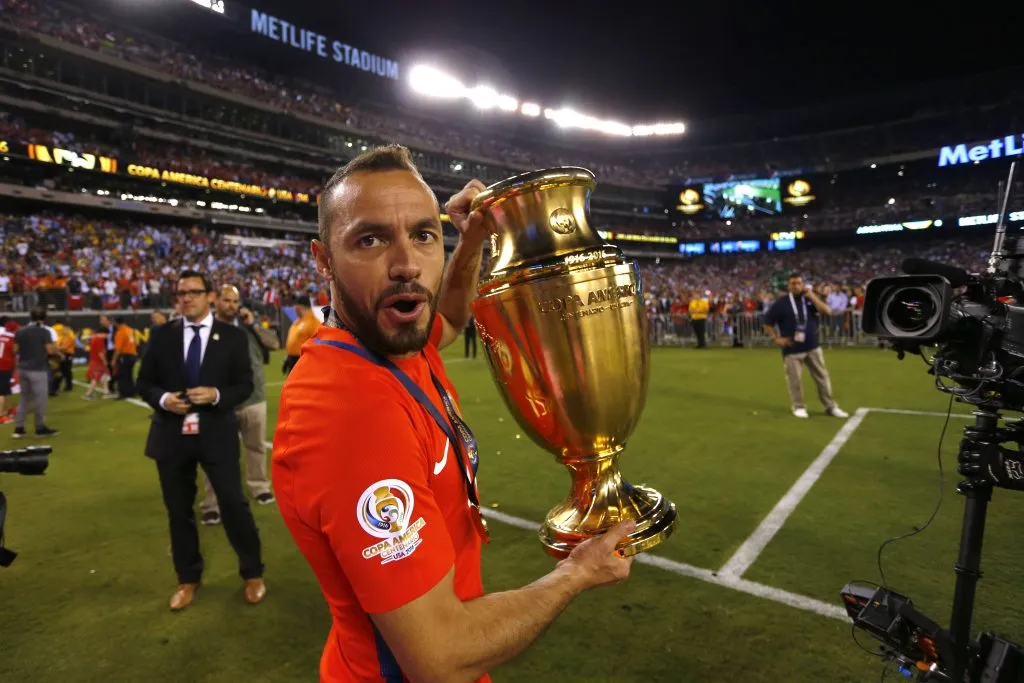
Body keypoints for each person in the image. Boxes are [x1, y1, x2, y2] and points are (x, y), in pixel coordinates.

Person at [272, 145, 634, 683]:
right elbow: (440, 655)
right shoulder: (350, 415)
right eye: (370, 240)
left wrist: (471, 243)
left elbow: (450, 318)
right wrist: (576, 574)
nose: (406, 266)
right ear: (323, 259)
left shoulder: (394, 345)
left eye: (421, 235)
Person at [136, 270, 266, 611]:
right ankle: (188, 578)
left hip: (216, 433)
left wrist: (217, 394)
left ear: (209, 296)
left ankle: (253, 573)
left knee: (234, 504)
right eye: (181, 293)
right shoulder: (162, 335)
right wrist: (164, 400)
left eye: (194, 291)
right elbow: (144, 381)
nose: (187, 298)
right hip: (171, 435)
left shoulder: (232, 337)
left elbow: (245, 385)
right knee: (179, 512)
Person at [199, 285, 280, 526]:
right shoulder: (207, 329)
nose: (231, 306)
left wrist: (254, 324)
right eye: (227, 301)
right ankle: (212, 503)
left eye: (235, 301)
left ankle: (259, 487)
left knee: (255, 447)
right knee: (216, 455)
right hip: (221, 402)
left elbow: (274, 344)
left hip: (254, 398)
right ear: (217, 302)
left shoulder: (248, 328)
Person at [762, 273, 849, 420]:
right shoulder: (781, 303)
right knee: (794, 380)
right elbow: (767, 322)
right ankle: (799, 407)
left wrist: (813, 297)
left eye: (798, 283)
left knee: (822, 377)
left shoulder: (809, 300)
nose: (796, 286)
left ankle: (831, 407)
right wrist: (776, 338)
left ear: (803, 284)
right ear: (788, 286)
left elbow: (827, 311)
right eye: (792, 283)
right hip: (792, 349)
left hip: (813, 346)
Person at [13, 307, 60, 438]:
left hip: (22, 368)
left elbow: (15, 349)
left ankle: (19, 428)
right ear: (43, 318)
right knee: (40, 399)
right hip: (37, 369)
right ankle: (40, 428)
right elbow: (50, 351)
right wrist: (56, 350)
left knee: (24, 398)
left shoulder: (20, 331)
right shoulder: (44, 331)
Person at [283, 296, 319, 375]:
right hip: (292, 361)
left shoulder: (313, 322)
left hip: (304, 361)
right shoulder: (297, 322)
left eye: (295, 305)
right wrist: (288, 358)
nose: (294, 308)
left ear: (301, 306)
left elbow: (319, 345)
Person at [111, 316, 138, 399]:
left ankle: (123, 393)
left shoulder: (120, 332)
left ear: (116, 323)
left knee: (122, 375)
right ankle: (132, 392)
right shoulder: (129, 330)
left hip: (125, 355)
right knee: (129, 375)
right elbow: (135, 343)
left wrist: (114, 360)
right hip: (133, 354)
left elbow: (118, 349)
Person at [82, 329, 111, 401]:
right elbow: (100, 353)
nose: (107, 337)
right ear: (103, 333)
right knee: (95, 379)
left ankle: (106, 393)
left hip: (95, 361)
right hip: (98, 362)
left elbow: (85, 339)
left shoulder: (94, 338)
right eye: (106, 335)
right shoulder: (99, 340)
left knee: (105, 377)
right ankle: (87, 394)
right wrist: (105, 362)